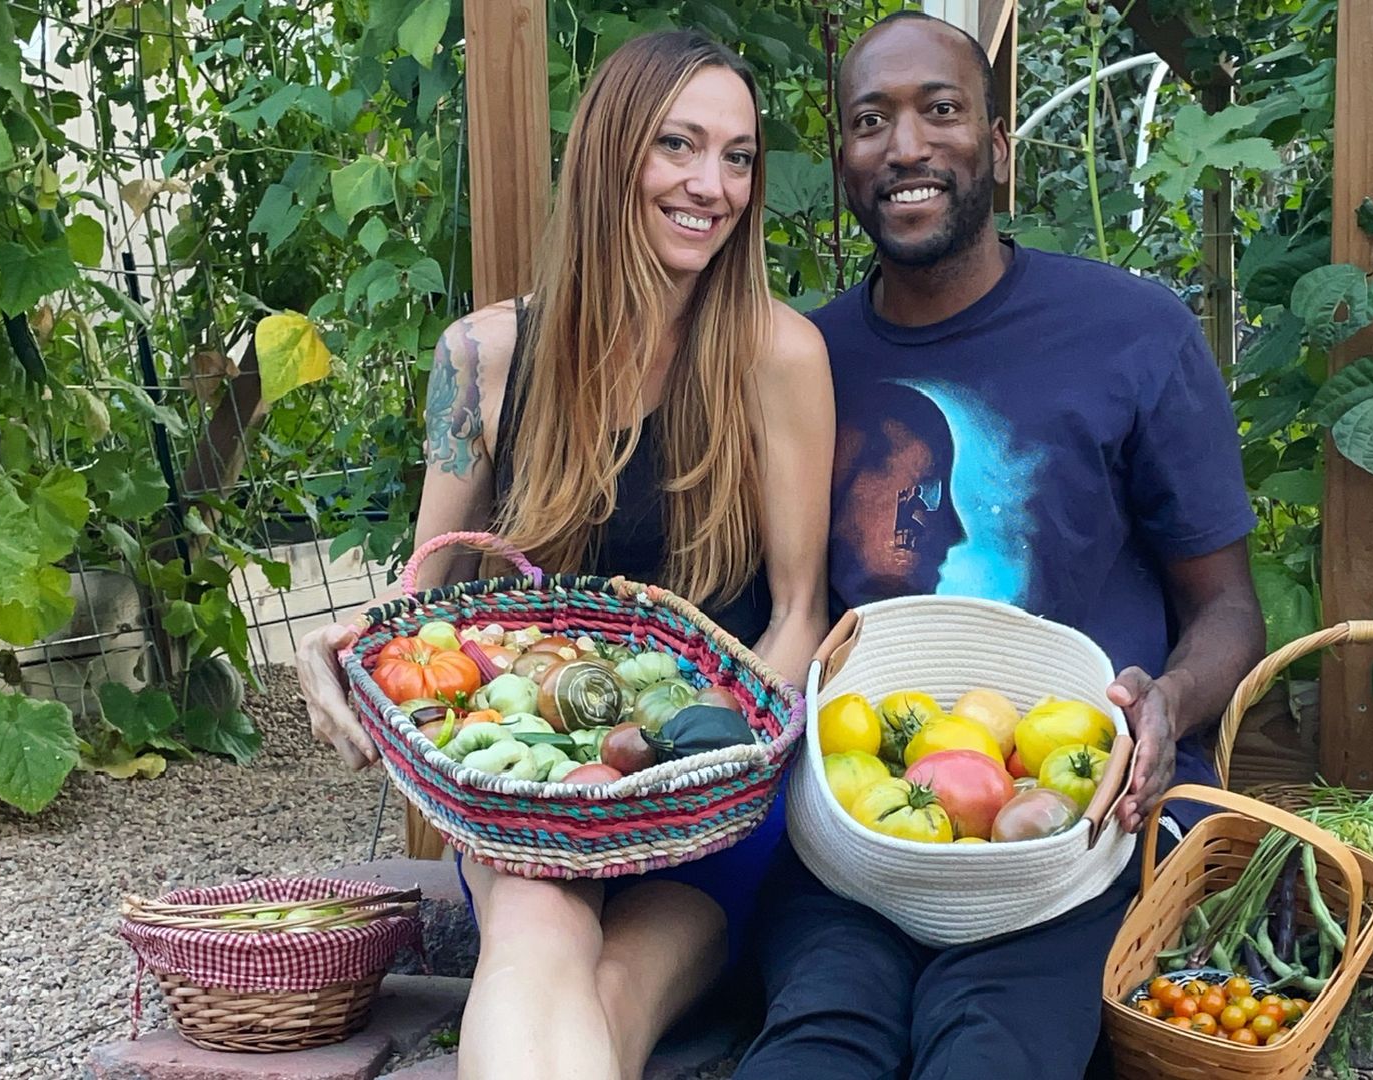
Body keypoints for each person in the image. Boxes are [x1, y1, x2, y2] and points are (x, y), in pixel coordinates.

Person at [732, 12, 1266, 1080]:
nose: (906, 146)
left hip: (1075, 830)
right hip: (859, 831)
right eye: (870, 121)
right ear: (842, 161)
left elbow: (1229, 610)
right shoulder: (802, 363)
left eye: (942, 110)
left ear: (999, 147)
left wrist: (1165, 703)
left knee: (994, 1048)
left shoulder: (1133, 331)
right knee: (817, 1043)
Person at [293, 30, 834, 1080]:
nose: (710, 184)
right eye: (678, 145)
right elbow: (424, 603)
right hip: (531, 787)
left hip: (704, 801)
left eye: (736, 156)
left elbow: (800, 615)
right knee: (540, 939)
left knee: (615, 990)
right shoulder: (482, 359)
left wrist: (689, 760)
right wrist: (345, 650)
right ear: (609, 154)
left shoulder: (779, 356)